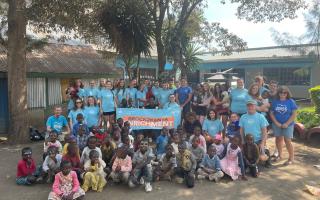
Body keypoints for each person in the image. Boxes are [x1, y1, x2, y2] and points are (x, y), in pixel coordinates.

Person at [270, 86, 297, 165]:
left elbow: (294, 114)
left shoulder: (291, 101)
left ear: (287, 93)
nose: (283, 94)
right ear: (278, 93)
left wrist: (287, 123)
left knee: (287, 140)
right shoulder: (275, 101)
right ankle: (280, 155)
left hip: (288, 124)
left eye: (285, 93)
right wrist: (276, 123)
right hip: (277, 124)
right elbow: (271, 113)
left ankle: (291, 158)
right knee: (278, 139)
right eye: (281, 93)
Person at [239, 100, 269, 164]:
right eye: (248, 106)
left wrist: (263, 143)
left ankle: (267, 156)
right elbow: (241, 130)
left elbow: (264, 131)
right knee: (247, 155)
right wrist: (243, 140)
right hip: (248, 141)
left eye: (252, 106)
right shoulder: (243, 117)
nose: (250, 107)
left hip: (258, 140)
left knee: (262, 158)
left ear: (255, 106)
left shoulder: (261, 116)